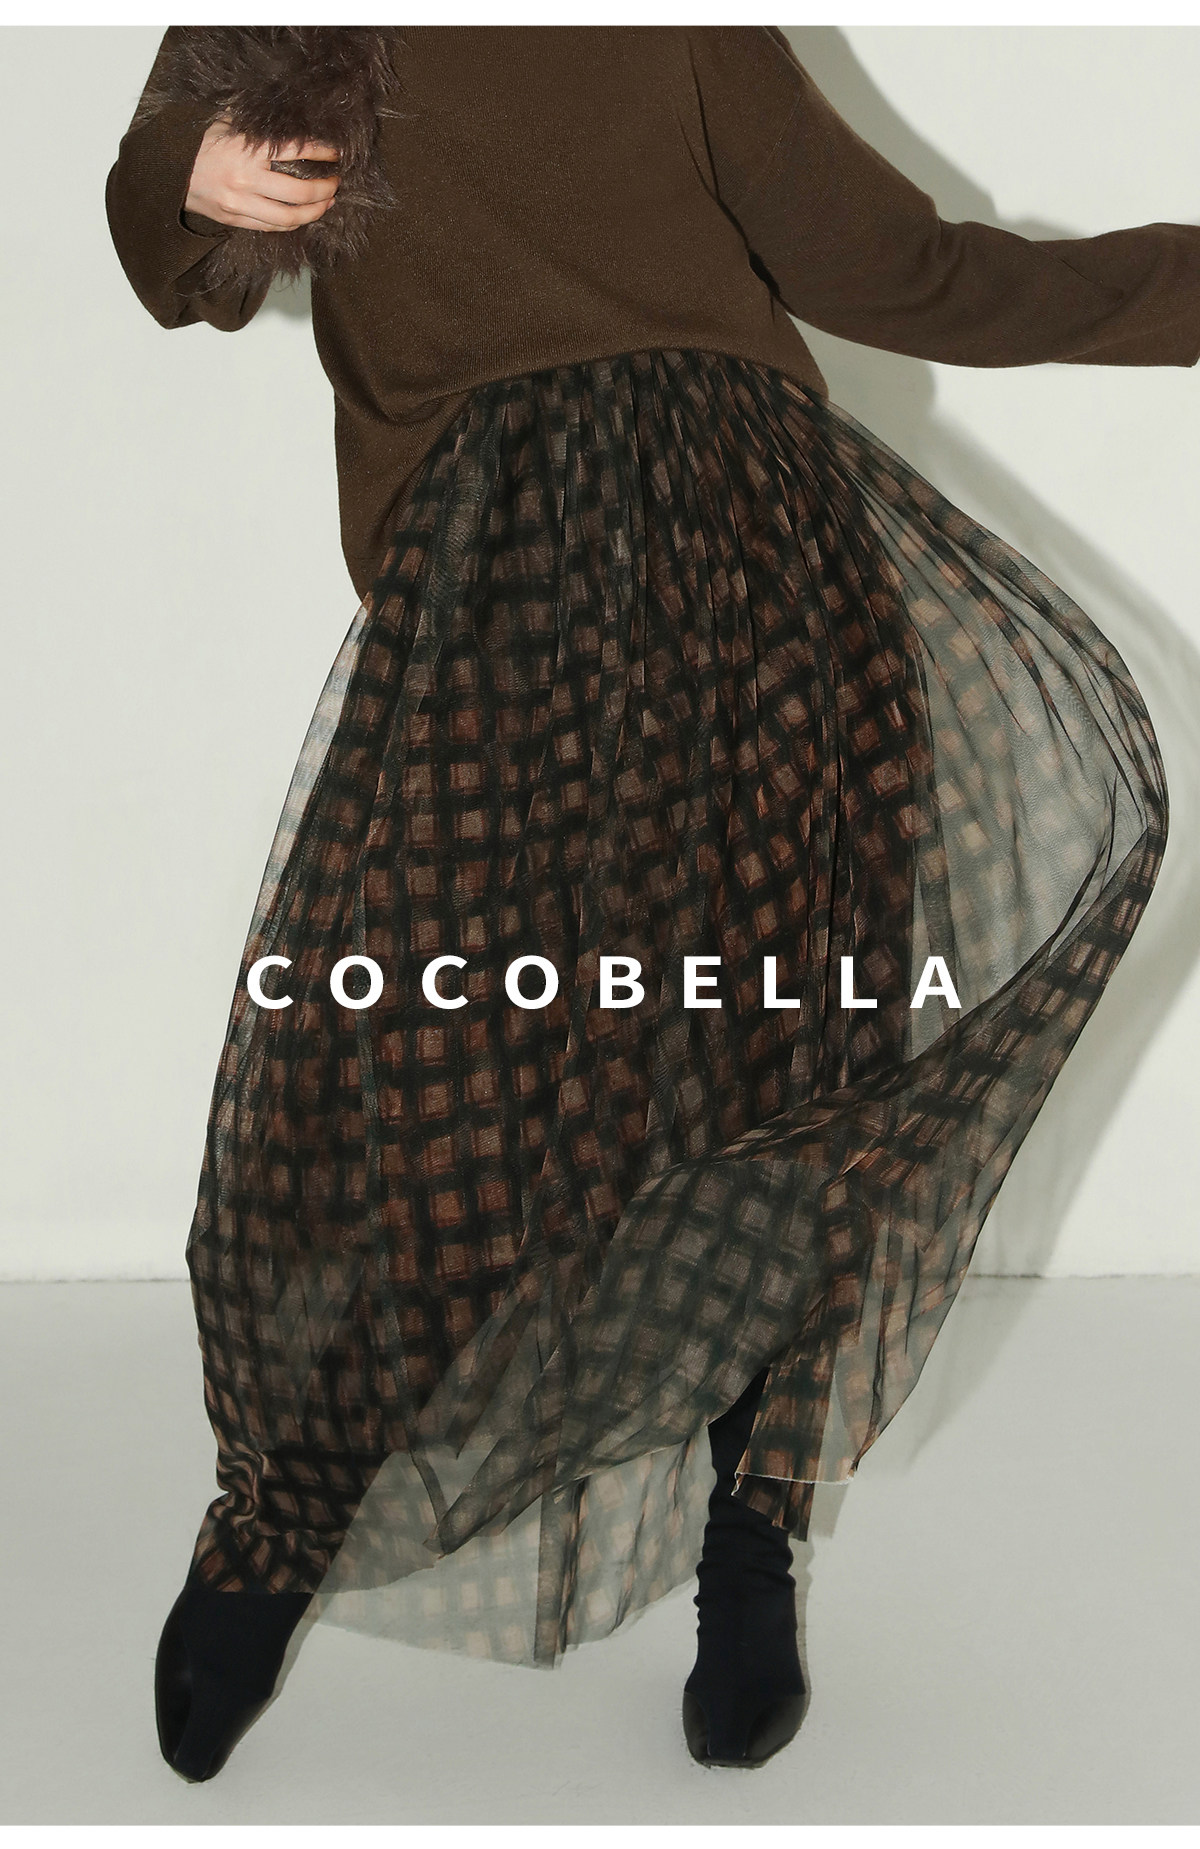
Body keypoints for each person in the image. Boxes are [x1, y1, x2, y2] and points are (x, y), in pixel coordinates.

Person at [106, 25, 1183, 1783]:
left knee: (784, 1084)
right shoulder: (290, 30)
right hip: (499, 627)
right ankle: (278, 1525)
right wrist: (185, 172)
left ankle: (749, 1548)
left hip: (771, 604)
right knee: (417, 1084)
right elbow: (177, 264)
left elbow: (904, 272)